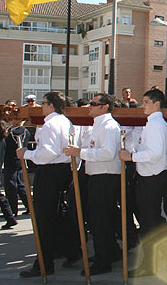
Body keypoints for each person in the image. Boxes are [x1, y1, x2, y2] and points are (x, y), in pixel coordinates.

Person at [17, 91, 81, 278]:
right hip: (63, 169)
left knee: (43, 218)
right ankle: (70, 250)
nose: (41, 106)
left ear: (51, 106)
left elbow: (48, 152)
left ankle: (44, 264)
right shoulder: (66, 122)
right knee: (58, 214)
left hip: (50, 170)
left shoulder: (50, 124)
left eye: (43, 103)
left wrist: (26, 154)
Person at [63, 93, 121, 276]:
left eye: (94, 104)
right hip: (96, 175)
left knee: (100, 220)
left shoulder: (109, 126)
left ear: (105, 107)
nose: (90, 106)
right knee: (98, 218)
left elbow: (108, 153)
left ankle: (104, 261)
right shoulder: (98, 125)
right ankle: (109, 252)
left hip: (105, 176)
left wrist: (81, 152)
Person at [119, 88, 167, 278]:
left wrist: (131, 156)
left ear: (157, 104)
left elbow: (155, 153)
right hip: (149, 176)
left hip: (152, 178)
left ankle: (151, 263)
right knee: (150, 221)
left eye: (147, 102)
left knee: (149, 223)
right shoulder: (153, 123)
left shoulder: (156, 124)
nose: (143, 106)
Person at [3, 100, 30, 217]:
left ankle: (13, 209)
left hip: (12, 159)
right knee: (20, 184)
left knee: (11, 185)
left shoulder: (15, 131)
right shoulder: (25, 130)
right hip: (18, 159)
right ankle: (28, 205)